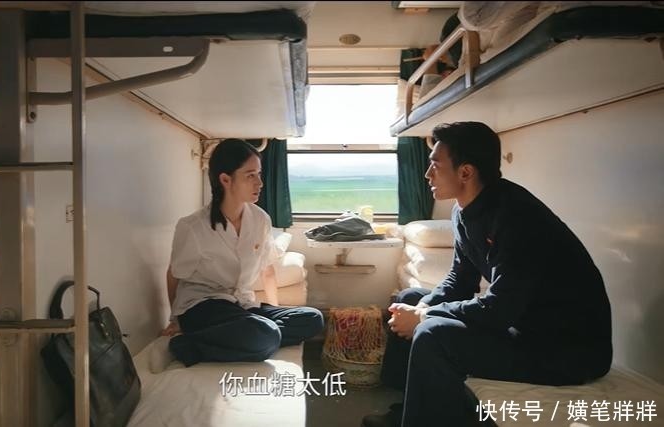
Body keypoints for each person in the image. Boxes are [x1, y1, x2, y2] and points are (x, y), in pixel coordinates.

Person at [361, 122, 612, 427]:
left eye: (435, 166)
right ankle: (404, 411)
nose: (427, 174)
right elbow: (459, 281)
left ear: (465, 172)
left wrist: (424, 316)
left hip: (563, 351)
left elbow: (500, 310)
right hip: (525, 327)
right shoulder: (463, 212)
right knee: (410, 298)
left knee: (432, 334)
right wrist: (421, 307)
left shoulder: (517, 217)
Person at [161, 138, 323, 367]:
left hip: (242, 305)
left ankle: (255, 335)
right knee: (265, 335)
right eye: (250, 175)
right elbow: (174, 274)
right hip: (204, 307)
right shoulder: (193, 227)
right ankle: (190, 345)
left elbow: (267, 270)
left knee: (312, 319)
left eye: (259, 174)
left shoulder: (260, 219)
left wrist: (274, 310)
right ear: (225, 180)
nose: (260, 183)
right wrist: (175, 319)